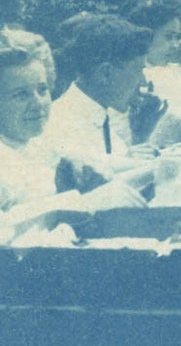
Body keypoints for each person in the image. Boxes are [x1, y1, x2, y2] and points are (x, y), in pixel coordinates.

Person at [0, 43, 145, 226]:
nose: (38, 103)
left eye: (42, 90)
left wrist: (156, 168)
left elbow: (100, 164)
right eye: (21, 95)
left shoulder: (35, 142)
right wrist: (87, 203)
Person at [38, 14, 158, 170]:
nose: (143, 82)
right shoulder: (63, 127)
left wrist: (141, 136)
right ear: (105, 73)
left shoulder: (98, 118)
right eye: (138, 70)